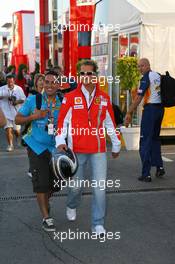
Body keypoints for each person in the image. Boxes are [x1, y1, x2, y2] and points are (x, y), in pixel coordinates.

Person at [55, 60, 121, 236]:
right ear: (79, 76)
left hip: (98, 149)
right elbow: (62, 122)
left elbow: (109, 122)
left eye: (89, 73)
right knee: (76, 187)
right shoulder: (69, 97)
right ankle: (71, 204)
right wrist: (60, 141)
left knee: (100, 188)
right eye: (82, 74)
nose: (86, 77)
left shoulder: (104, 98)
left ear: (95, 76)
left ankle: (97, 223)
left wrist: (116, 143)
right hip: (76, 149)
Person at [15, 71, 62, 232]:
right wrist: (34, 117)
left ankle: (45, 200)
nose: (49, 85)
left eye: (53, 82)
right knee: (41, 183)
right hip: (36, 146)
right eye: (47, 82)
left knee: (56, 184)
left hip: (56, 147)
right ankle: (46, 218)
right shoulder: (33, 99)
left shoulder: (63, 101)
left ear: (58, 84)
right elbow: (17, 119)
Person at [125, 58, 165, 182]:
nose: (140, 68)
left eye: (142, 66)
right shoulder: (158, 75)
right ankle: (160, 167)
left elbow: (138, 98)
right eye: (138, 66)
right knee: (155, 140)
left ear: (148, 65)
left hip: (150, 110)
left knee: (144, 142)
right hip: (160, 109)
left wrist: (129, 112)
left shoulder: (146, 78)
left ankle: (146, 174)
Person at [0, 74, 26, 151]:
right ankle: (10, 145)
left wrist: (17, 102)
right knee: (8, 129)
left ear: (14, 81)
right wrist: (5, 96)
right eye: (8, 82)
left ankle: (17, 137)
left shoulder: (19, 89)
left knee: (17, 131)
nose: (10, 83)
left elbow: (23, 99)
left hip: (16, 113)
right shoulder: (2, 89)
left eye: (11, 82)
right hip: (5, 113)